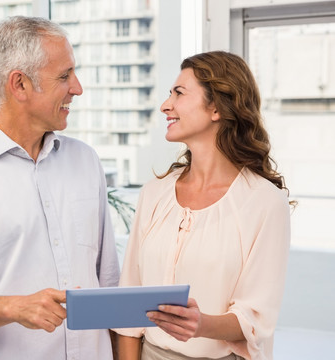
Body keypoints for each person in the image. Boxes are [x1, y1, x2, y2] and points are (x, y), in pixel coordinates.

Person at [0, 16, 120, 360]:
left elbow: (108, 283)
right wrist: (13, 307)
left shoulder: (86, 161)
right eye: (64, 75)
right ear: (20, 85)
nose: (77, 88)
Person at [114, 51, 292, 360]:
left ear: (216, 108)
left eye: (178, 93)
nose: (165, 105)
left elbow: (256, 320)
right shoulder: (154, 194)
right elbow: (129, 308)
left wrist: (201, 324)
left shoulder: (265, 202)